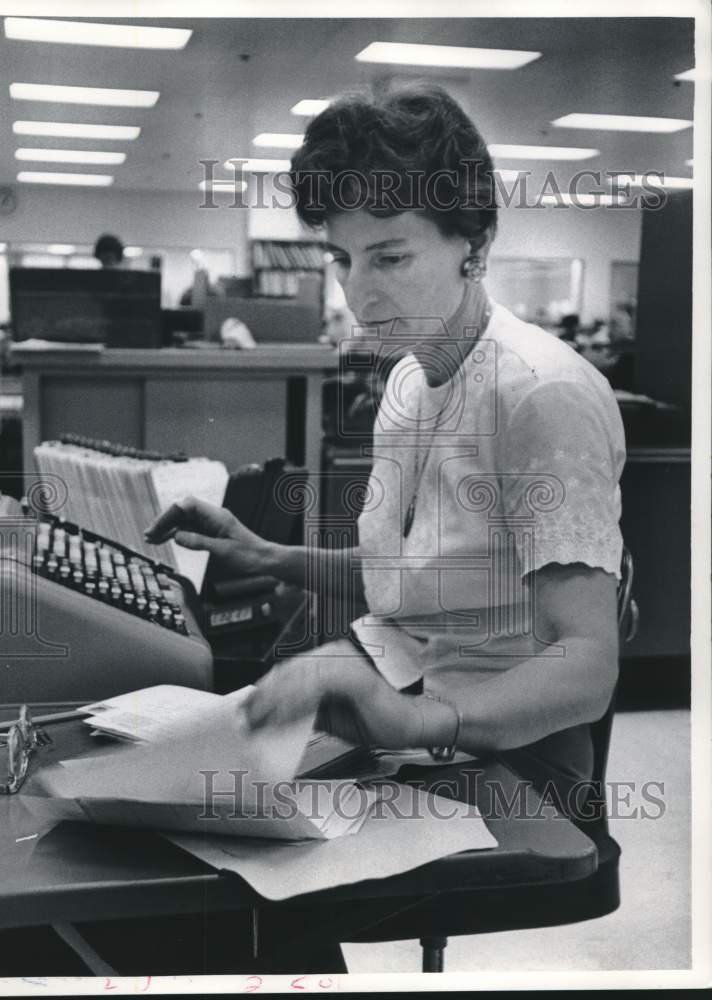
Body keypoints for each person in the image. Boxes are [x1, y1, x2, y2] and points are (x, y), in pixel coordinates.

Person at [145, 86, 625, 964]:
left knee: (230, 916)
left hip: (517, 762)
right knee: (192, 838)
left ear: (473, 244)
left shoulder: (540, 395)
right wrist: (270, 553)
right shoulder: (408, 385)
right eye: (341, 259)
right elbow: (415, 582)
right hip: (414, 709)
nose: (359, 294)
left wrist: (422, 722)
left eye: (391, 256)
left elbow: (585, 667)